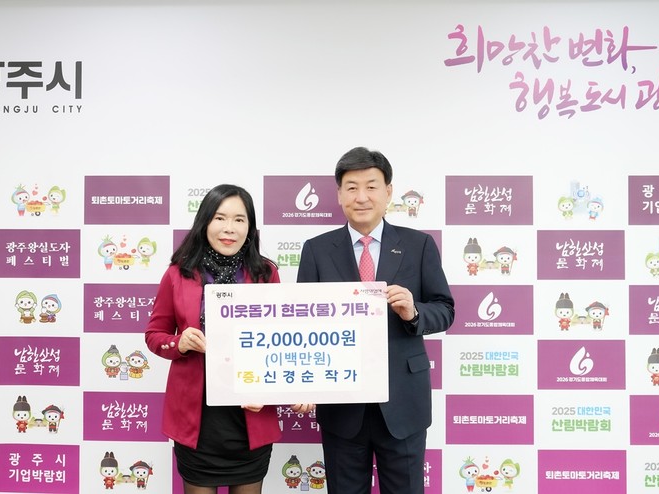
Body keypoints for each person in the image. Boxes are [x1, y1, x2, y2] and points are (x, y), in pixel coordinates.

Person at [297, 147, 455, 494]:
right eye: (352, 187)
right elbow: (303, 325)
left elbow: (445, 309)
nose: (362, 197)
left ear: (388, 192)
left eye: (371, 186)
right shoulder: (317, 250)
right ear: (339, 195)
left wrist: (413, 312)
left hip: (403, 402)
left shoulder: (419, 245)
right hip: (341, 404)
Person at [145, 184, 312, 494]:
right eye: (220, 218)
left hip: (250, 415)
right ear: (205, 222)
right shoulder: (178, 274)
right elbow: (154, 335)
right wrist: (179, 343)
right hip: (198, 421)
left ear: (250, 227)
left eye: (239, 219)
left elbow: (283, 342)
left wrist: (287, 389)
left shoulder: (266, 274)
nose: (229, 228)